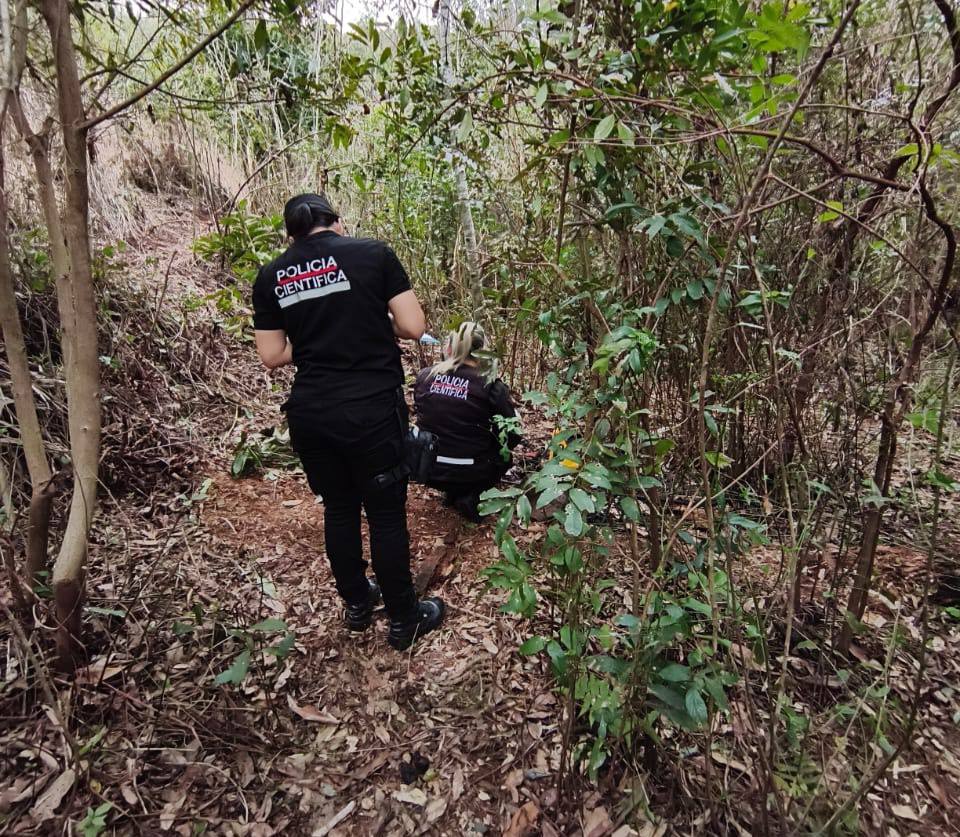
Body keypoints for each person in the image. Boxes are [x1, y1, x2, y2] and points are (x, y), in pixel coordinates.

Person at [251, 193, 444, 651]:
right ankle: (403, 619)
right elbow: (414, 327)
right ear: (336, 223)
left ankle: (357, 603)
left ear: (291, 235)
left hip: (312, 415)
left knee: (339, 508)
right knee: (385, 513)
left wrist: (314, 337)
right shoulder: (372, 254)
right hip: (370, 411)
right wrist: (367, 320)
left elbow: (271, 355)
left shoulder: (271, 275)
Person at [413, 322, 521, 522]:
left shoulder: (425, 377)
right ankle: (470, 494)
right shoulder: (491, 386)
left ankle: (452, 491)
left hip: (427, 468)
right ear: (483, 351)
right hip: (472, 471)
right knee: (504, 455)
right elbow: (513, 433)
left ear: (449, 347)